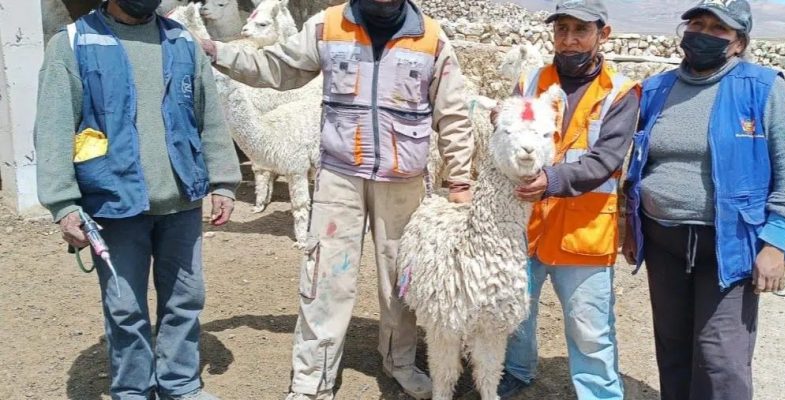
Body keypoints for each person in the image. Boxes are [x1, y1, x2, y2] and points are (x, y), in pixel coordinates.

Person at [198, 0, 474, 399]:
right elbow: (278, 66)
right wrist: (218, 52)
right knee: (325, 277)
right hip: (340, 177)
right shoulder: (328, 25)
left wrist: (461, 180)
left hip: (403, 180)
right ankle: (313, 379)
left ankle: (400, 362)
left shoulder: (430, 37)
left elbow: (452, 111)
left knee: (403, 278)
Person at [35, 0, 241, 399]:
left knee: (185, 299)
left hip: (180, 201)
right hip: (113, 204)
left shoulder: (181, 42)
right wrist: (63, 203)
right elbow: (54, 126)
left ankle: (180, 384)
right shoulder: (75, 43)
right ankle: (132, 390)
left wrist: (224, 181)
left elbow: (209, 116)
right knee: (125, 308)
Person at [622, 1, 785, 399]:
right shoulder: (658, 89)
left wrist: (775, 239)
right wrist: (630, 224)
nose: (703, 33)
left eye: (717, 29)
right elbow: (639, 163)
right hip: (664, 241)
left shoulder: (763, 88)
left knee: (721, 358)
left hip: (729, 245)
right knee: (672, 347)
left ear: (738, 43)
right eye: (697, 23)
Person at [495, 1, 640, 399]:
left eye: (581, 30)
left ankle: (599, 393)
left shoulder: (620, 93)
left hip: (584, 229)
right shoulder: (529, 83)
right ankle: (516, 372)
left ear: (603, 34)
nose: (569, 39)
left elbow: (606, 159)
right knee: (515, 313)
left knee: (588, 326)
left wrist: (550, 178)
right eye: (562, 30)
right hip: (524, 224)